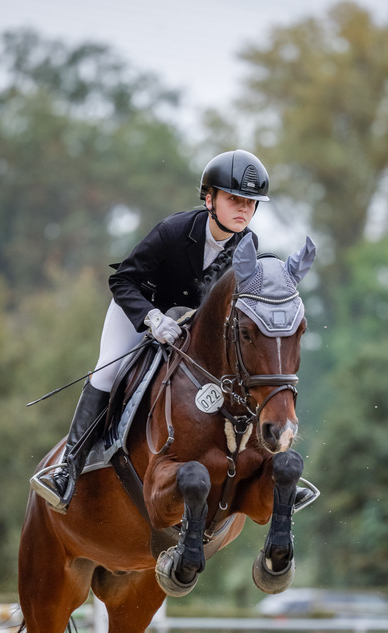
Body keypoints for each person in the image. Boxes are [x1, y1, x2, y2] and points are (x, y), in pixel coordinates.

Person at [30, 149, 270, 513]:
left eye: (250, 203)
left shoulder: (248, 247)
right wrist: (153, 319)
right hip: (139, 310)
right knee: (109, 369)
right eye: (234, 199)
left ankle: (268, 468)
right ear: (209, 198)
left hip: (190, 328)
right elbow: (122, 279)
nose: (243, 210)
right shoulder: (173, 231)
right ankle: (68, 468)